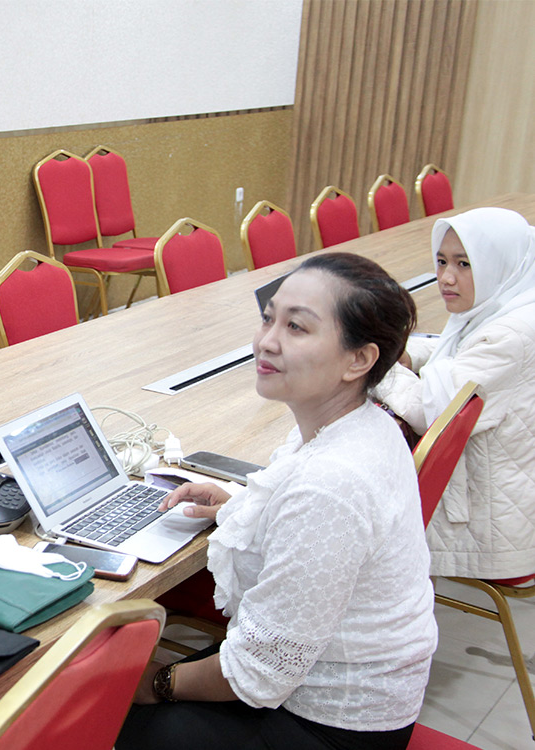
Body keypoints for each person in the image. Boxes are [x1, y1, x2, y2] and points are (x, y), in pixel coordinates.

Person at [118, 253, 437, 750]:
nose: (267, 341)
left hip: (333, 722)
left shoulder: (329, 484)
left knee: (114, 715)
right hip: (348, 687)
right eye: (268, 318)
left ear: (359, 359)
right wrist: (239, 506)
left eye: (296, 327)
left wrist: (158, 683)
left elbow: (259, 673)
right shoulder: (361, 422)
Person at [373, 207, 535, 579]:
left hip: (491, 528)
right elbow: (460, 349)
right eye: (442, 261)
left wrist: (372, 364)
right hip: (504, 502)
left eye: (464, 264)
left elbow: (429, 411)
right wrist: (408, 354)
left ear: (499, 263)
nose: (446, 278)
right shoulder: (511, 302)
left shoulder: (509, 337)